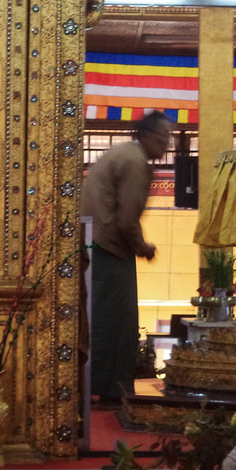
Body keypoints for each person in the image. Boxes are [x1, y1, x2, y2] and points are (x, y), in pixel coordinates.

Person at [83, 110, 172, 404]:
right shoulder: (136, 163)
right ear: (147, 135)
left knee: (99, 318)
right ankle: (112, 390)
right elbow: (125, 221)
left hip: (94, 244)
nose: (168, 145)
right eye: (164, 138)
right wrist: (143, 247)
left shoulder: (121, 153)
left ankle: (95, 385)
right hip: (110, 247)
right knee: (118, 325)